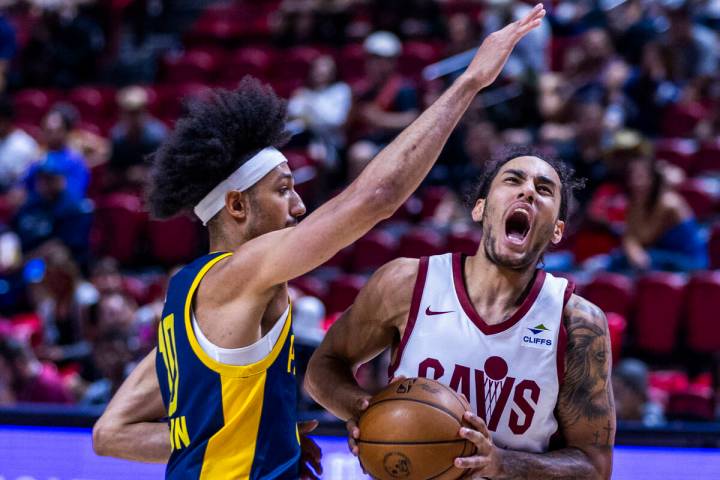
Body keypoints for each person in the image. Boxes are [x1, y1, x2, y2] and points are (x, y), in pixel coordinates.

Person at [91, 6, 548, 479]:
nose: (299, 207)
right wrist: (469, 82)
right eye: (284, 188)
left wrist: (265, 437)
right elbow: (377, 197)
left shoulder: (183, 296)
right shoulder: (243, 272)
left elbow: (112, 433)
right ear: (237, 206)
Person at [306, 148, 616, 479]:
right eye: (513, 180)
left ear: (557, 229)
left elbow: (594, 467)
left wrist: (500, 463)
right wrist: (365, 411)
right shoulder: (407, 284)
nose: (527, 191)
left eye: (544, 189)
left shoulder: (577, 323)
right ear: (480, 209)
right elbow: (322, 369)